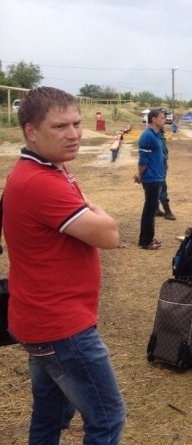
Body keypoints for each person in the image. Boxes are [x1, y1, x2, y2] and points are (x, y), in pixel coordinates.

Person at [3, 86, 126, 443]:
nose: (73, 134)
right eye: (60, 127)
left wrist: (93, 213)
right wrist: (99, 214)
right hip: (61, 327)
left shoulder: (47, 170)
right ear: (31, 131)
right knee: (107, 418)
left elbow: (93, 219)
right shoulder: (41, 182)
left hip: (41, 321)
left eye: (77, 123)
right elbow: (109, 235)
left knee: (49, 416)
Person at [135, 108, 166, 250]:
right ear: (153, 119)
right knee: (150, 209)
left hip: (158, 177)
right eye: (162, 117)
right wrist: (140, 175)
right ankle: (145, 241)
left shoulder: (157, 134)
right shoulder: (147, 136)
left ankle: (148, 238)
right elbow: (143, 161)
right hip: (151, 178)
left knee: (152, 208)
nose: (164, 120)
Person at [155, 118, 176, 221]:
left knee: (159, 187)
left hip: (162, 164)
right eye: (162, 118)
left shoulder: (160, 133)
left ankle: (156, 209)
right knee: (162, 187)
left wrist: (165, 162)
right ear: (155, 120)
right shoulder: (154, 135)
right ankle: (167, 212)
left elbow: (163, 150)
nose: (165, 120)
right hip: (157, 166)